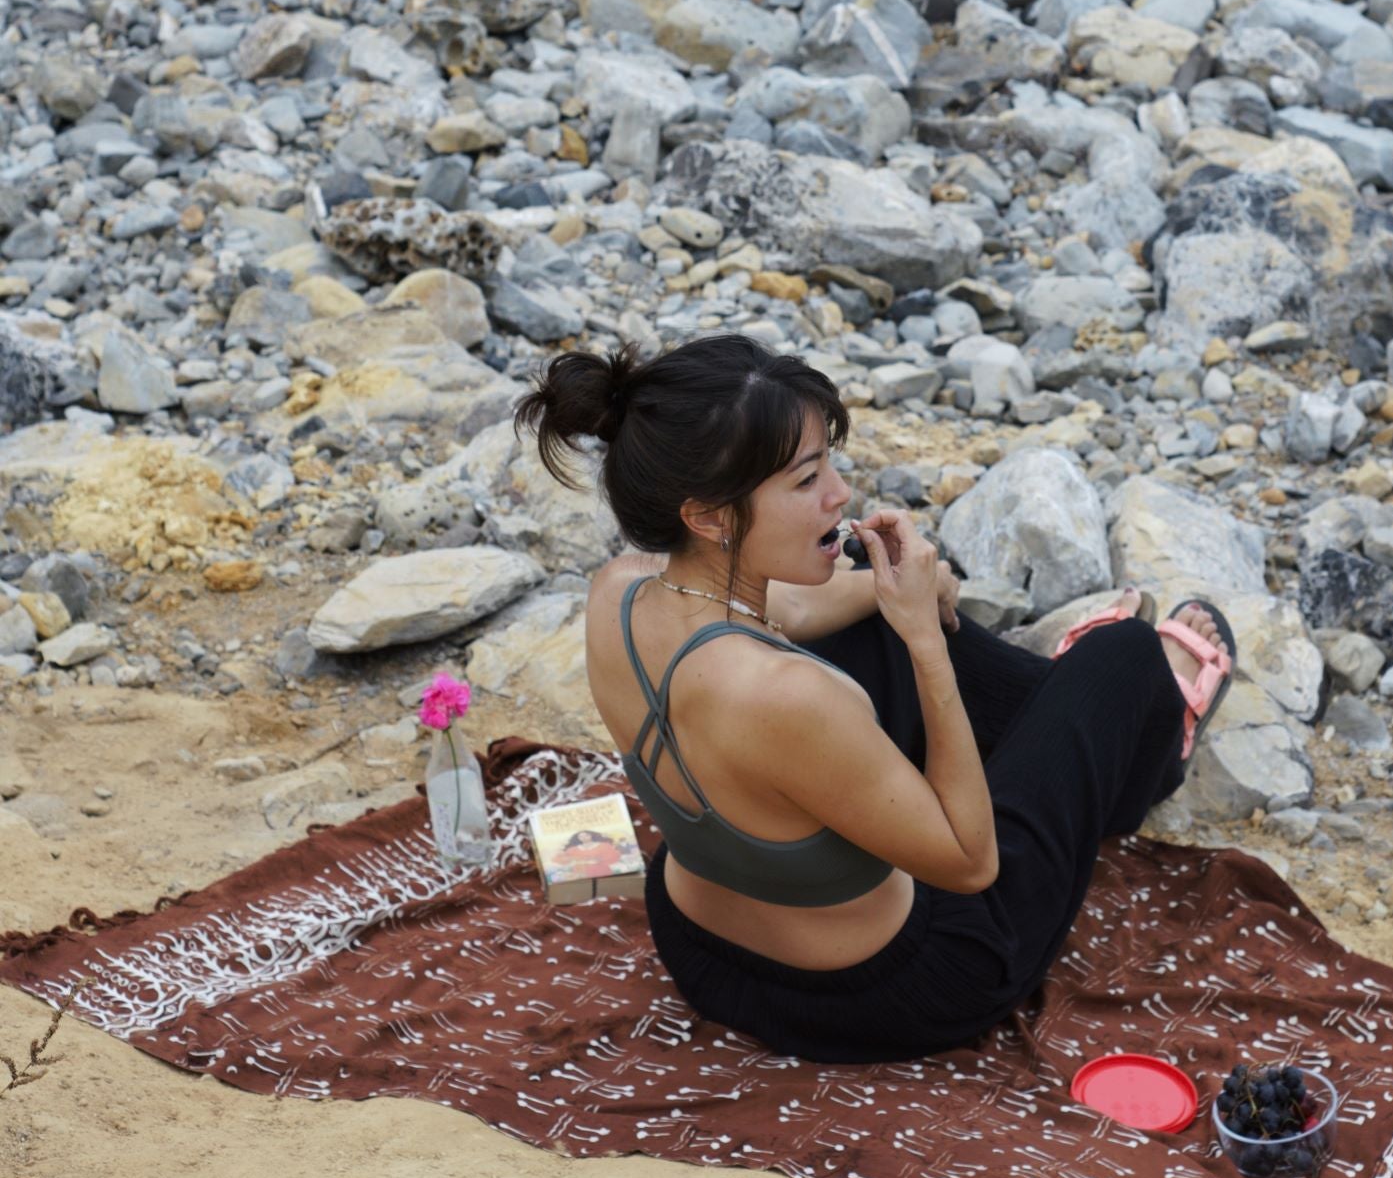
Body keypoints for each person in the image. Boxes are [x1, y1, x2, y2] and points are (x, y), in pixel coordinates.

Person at [513, 332, 1238, 1066]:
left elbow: (786, 613)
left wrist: (899, 594)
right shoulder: (791, 695)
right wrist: (924, 638)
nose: (839, 493)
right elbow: (969, 862)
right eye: (804, 481)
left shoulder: (621, 588)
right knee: (1122, 656)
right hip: (890, 991)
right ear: (708, 516)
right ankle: (1143, 746)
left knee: (856, 580)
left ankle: (1085, 722)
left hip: (698, 948)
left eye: (827, 460)